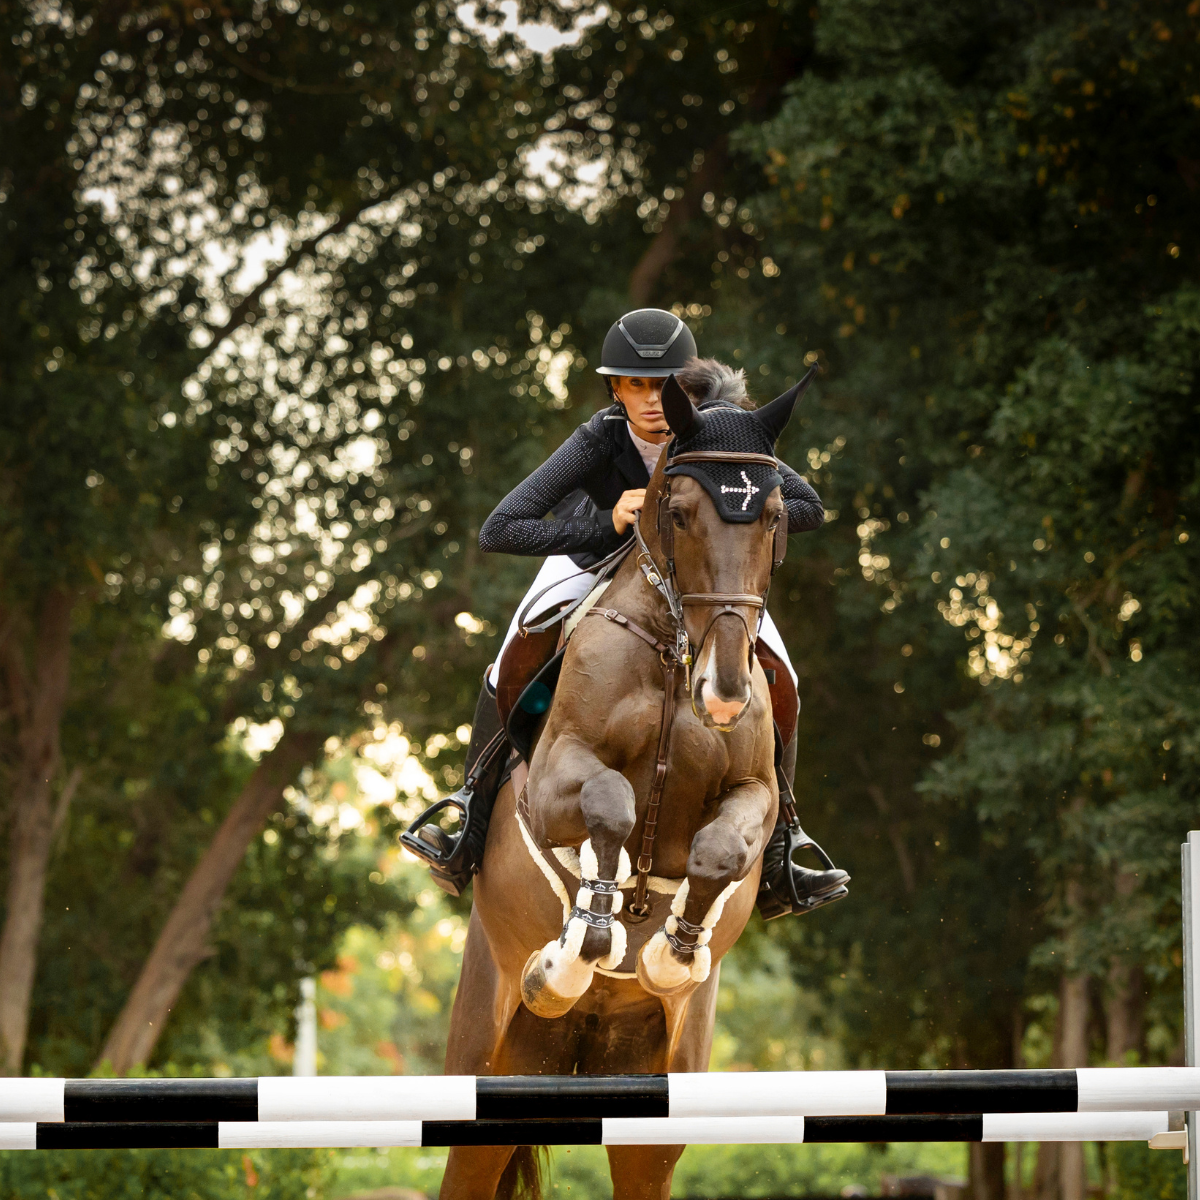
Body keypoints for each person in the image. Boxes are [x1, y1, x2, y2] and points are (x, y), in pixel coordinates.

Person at [406, 308, 848, 917]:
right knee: (512, 648)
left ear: (688, 385)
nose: (649, 400)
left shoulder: (723, 432)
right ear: (614, 387)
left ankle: (781, 852)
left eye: (662, 384)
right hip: (594, 561)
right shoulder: (601, 437)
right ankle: (468, 818)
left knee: (785, 677)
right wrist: (605, 520)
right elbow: (500, 527)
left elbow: (810, 506)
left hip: (703, 583)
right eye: (634, 384)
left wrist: (737, 523)